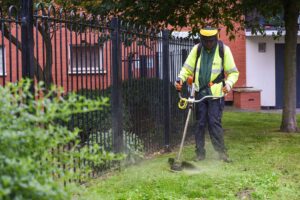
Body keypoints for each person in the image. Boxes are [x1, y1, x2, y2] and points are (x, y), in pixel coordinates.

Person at [175, 27, 239, 162]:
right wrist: (180, 79)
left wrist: (228, 84)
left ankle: (221, 153)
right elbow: (187, 68)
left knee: (214, 122)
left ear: (216, 39)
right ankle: (200, 153)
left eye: (211, 41)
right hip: (199, 93)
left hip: (215, 95)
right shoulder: (197, 49)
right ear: (202, 40)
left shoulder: (223, 50)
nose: (208, 43)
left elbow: (233, 72)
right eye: (206, 41)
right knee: (199, 123)